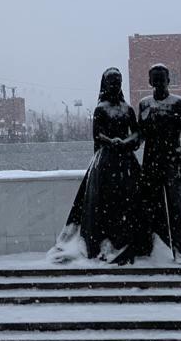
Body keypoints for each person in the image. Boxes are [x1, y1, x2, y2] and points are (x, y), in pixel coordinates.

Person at [49, 67, 145, 265]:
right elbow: (97, 135)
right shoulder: (100, 109)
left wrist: (126, 142)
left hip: (126, 163)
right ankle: (102, 242)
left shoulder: (127, 109)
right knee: (103, 204)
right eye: (111, 83)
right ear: (105, 85)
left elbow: (137, 133)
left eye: (117, 82)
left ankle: (126, 241)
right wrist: (112, 141)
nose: (114, 86)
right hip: (105, 163)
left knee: (128, 203)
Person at [138, 63, 181, 264]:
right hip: (150, 165)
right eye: (155, 79)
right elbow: (140, 135)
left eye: (162, 78)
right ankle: (156, 252)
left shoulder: (179, 104)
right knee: (151, 210)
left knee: (176, 210)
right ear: (150, 81)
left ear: (168, 80)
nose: (158, 83)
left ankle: (178, 253)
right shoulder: (144, 104)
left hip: (173, 163)